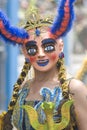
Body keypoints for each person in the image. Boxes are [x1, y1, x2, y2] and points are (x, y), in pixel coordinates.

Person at [0, 0, 87, 130]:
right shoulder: (23, 87)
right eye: (32, 49)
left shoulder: (75, 89)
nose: (41, 54)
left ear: (60, 47)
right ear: (24, 52)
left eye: (48, 47)